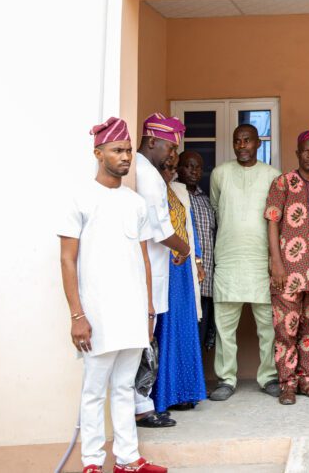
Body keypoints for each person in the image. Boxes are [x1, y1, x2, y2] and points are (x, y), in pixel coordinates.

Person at [57, 117, 167, 473]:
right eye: (118, 150)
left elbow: (144, 258)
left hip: (133, 312)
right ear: (98, 152)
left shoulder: (135, 202)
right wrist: (78, 315)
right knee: (94, 390)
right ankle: (91, 462)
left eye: (129, 151)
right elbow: (67, 258)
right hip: (97, 314)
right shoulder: (79, 198)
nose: (125, 157)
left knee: (124, 388)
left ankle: (128, 459)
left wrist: (149, 310)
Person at [209, 124, 282, 401]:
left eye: (247, 141)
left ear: (258, 144)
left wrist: (274, 261)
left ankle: (269, 377)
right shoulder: (219, 174)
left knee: (268, 326)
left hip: (260, 261)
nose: (242, 146)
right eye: (237, 141)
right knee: (225, 327)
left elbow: (277, 217)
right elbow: (217, 209)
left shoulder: (272, 176)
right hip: (228, 260)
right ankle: (226, 379)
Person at [265, 131, 309, 404]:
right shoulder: (282, 183)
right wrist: (277, 264)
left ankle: (307, 380)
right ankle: (287, 384)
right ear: (297, 153)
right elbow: (272, 223)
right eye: (305, 151)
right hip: (288, 272)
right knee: (286, 330)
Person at [134, 112, 191, 428]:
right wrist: (184, 248)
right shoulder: (150, 177)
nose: (173, 155)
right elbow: (161, 230)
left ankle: (143, 403)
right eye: (170, 147)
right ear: (153, 141)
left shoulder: (144, 172)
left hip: (151, 271)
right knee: (145, 339)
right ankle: (142, 408)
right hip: (150, 274)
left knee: (147, 339)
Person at [151, 151, 207, 413]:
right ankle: (164, 394)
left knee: (184, 329)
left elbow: (190, 228)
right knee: (166, 330)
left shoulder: (179, 191)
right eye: (168, 167)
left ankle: (185, 392)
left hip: (182, 266)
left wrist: (196, 261)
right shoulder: (151, 190)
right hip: (165, 266)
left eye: (172, 168)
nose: (170, 172)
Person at [178, 150, 217, 355]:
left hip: (207, 282)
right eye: (188, 166)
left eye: (198, 167)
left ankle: (197, 385)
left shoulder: (206, 200)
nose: (194, 171)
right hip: (184, 280)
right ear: (178, 167)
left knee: (201, 336)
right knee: (183, 336)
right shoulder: (175, 196)